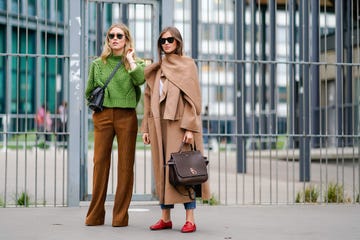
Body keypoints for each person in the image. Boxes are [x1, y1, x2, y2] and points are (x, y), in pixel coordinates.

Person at [141, 26, 210, 233]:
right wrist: (145, 127)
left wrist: (190, 128)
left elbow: (193, 100)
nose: (166, 44)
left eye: (170, 40)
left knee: (185, 170)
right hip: (159, 126)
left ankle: (190, 219)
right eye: (162, 41)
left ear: (178, 42)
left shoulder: (187, 65)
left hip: (181, 126)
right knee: (163, 170)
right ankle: (165, 217)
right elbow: (147, 98)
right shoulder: (158, 69)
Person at [84, 23, 145, 227]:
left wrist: (129, 60)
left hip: (127, 116)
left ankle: (120, 217)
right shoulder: (97, 64)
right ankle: (95, 216)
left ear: (126, 39)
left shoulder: (136, 62)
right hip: (103, 116)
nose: (115, 39)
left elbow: (141, 80)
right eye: (111, 35)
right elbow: (88, 92)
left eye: (120, 35)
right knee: (100, 163)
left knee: (126, 167)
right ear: (107, 39)